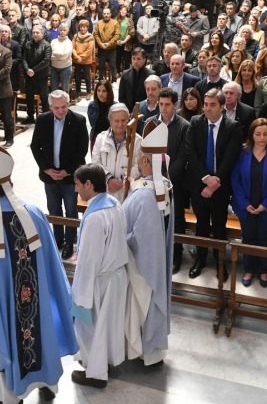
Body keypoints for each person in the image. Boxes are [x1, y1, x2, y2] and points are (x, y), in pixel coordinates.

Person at [0, 143, 78, 404]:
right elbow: (53, 262)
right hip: (36, 301)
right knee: (41, 325)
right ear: (11, 181)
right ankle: (47, 382)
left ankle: (9, 396)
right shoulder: (35, 213)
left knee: (2, 335)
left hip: (1, 308)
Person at [71, 163, 128, 388]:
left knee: (91, 327)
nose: (76, 190)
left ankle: (95, 373)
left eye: (77, 185)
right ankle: (107, 361)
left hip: (100, 281)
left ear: (88, 184)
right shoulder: (115, 204)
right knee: (110, 324)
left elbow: (88, 260)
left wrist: (80, 295)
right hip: (117, 275)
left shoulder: (94, 217)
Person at [124, 120, 174, 366]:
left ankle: (144, 350)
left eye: (138, 159)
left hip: (142, 266)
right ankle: (153, 352)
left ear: (146, 161)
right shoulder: (164, 186)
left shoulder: (144, 195)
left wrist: (118, 238)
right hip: (159, 257)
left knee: (142, 305)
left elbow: (139, 238)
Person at [184, 89, 243, 280]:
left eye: (212, 105)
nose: (208, 108)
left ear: (222, 106)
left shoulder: (232, 126)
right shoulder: (195, 122)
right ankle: (200, 259)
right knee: (201, 225)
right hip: (199, 185)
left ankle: (220, 263)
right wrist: (205, 179)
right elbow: (190, 153)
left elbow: (230, 158)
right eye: (206, 104)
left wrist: (214, 182)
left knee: (219, 226)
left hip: (220, 186)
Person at [30, 90, 89, 260]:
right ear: (50, 107)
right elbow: (35, 147)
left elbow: (81, 150)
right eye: (57, 108)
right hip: (50, 175)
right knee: (54, 209)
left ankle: (70, 242)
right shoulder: (42, 120)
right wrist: (46, 168)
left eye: (64, 107)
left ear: (68, 104)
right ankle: (57, 239)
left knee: (71, 210)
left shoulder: (78, 121)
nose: (61, 111)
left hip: (70, 177)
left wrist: (67, 171)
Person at [232, 118, 267, 287]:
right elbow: (235, 179)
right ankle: (249, 269)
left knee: (264, 238)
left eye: (265, 134)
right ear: (252, 134)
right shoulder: (242, 151)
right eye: (258, 134)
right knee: (248, 237)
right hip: (246, 204)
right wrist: (243, 202)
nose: (262, 138)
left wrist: (266, 204)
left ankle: (263, 270)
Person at [145, 88, 190, 274]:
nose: (163, 108)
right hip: (153, 180)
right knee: (155, 217)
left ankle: (175, 255)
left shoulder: (183, 125)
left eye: (167, 105)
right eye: (161, 104)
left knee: (175, 219)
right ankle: (156, 254)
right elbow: (146, 151)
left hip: (174, 182)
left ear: (175, 105)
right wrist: (154, 176)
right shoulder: (150, 123)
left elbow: (182, 156)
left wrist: (166, 178)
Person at [91, 104, 141, 203]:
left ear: (129, 119)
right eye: (116, 121)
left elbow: (138, 166)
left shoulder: (137, 140)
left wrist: (120, 181)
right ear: (110, 120)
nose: (120, 124)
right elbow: (95, 163)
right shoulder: (101, 138)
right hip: (105, 190)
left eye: (123, 120)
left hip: (126, 192)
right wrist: (109, 179)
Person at [119, 48, 155, 113]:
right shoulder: (125, 74)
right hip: (128, 110)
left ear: (144, 60)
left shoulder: (151, 74)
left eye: (138, 59)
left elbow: (153, 96)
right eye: (133, 58)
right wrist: (127, 111)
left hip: (145, 110)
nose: (135, 62)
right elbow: (121, 96)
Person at [93, 8, 120, 82]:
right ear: (102, 15)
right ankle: (101, 81)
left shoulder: (115, 23)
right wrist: (100, 44)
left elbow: (117, 35)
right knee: (101, 65)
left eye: (108, 13)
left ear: (110, 14)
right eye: (104, 14)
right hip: (101, 48)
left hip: (112, 48)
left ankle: (114, 81)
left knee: (113, 65)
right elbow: (96, 34)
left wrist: (109, 43)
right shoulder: (99, 23)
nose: (106, 15)